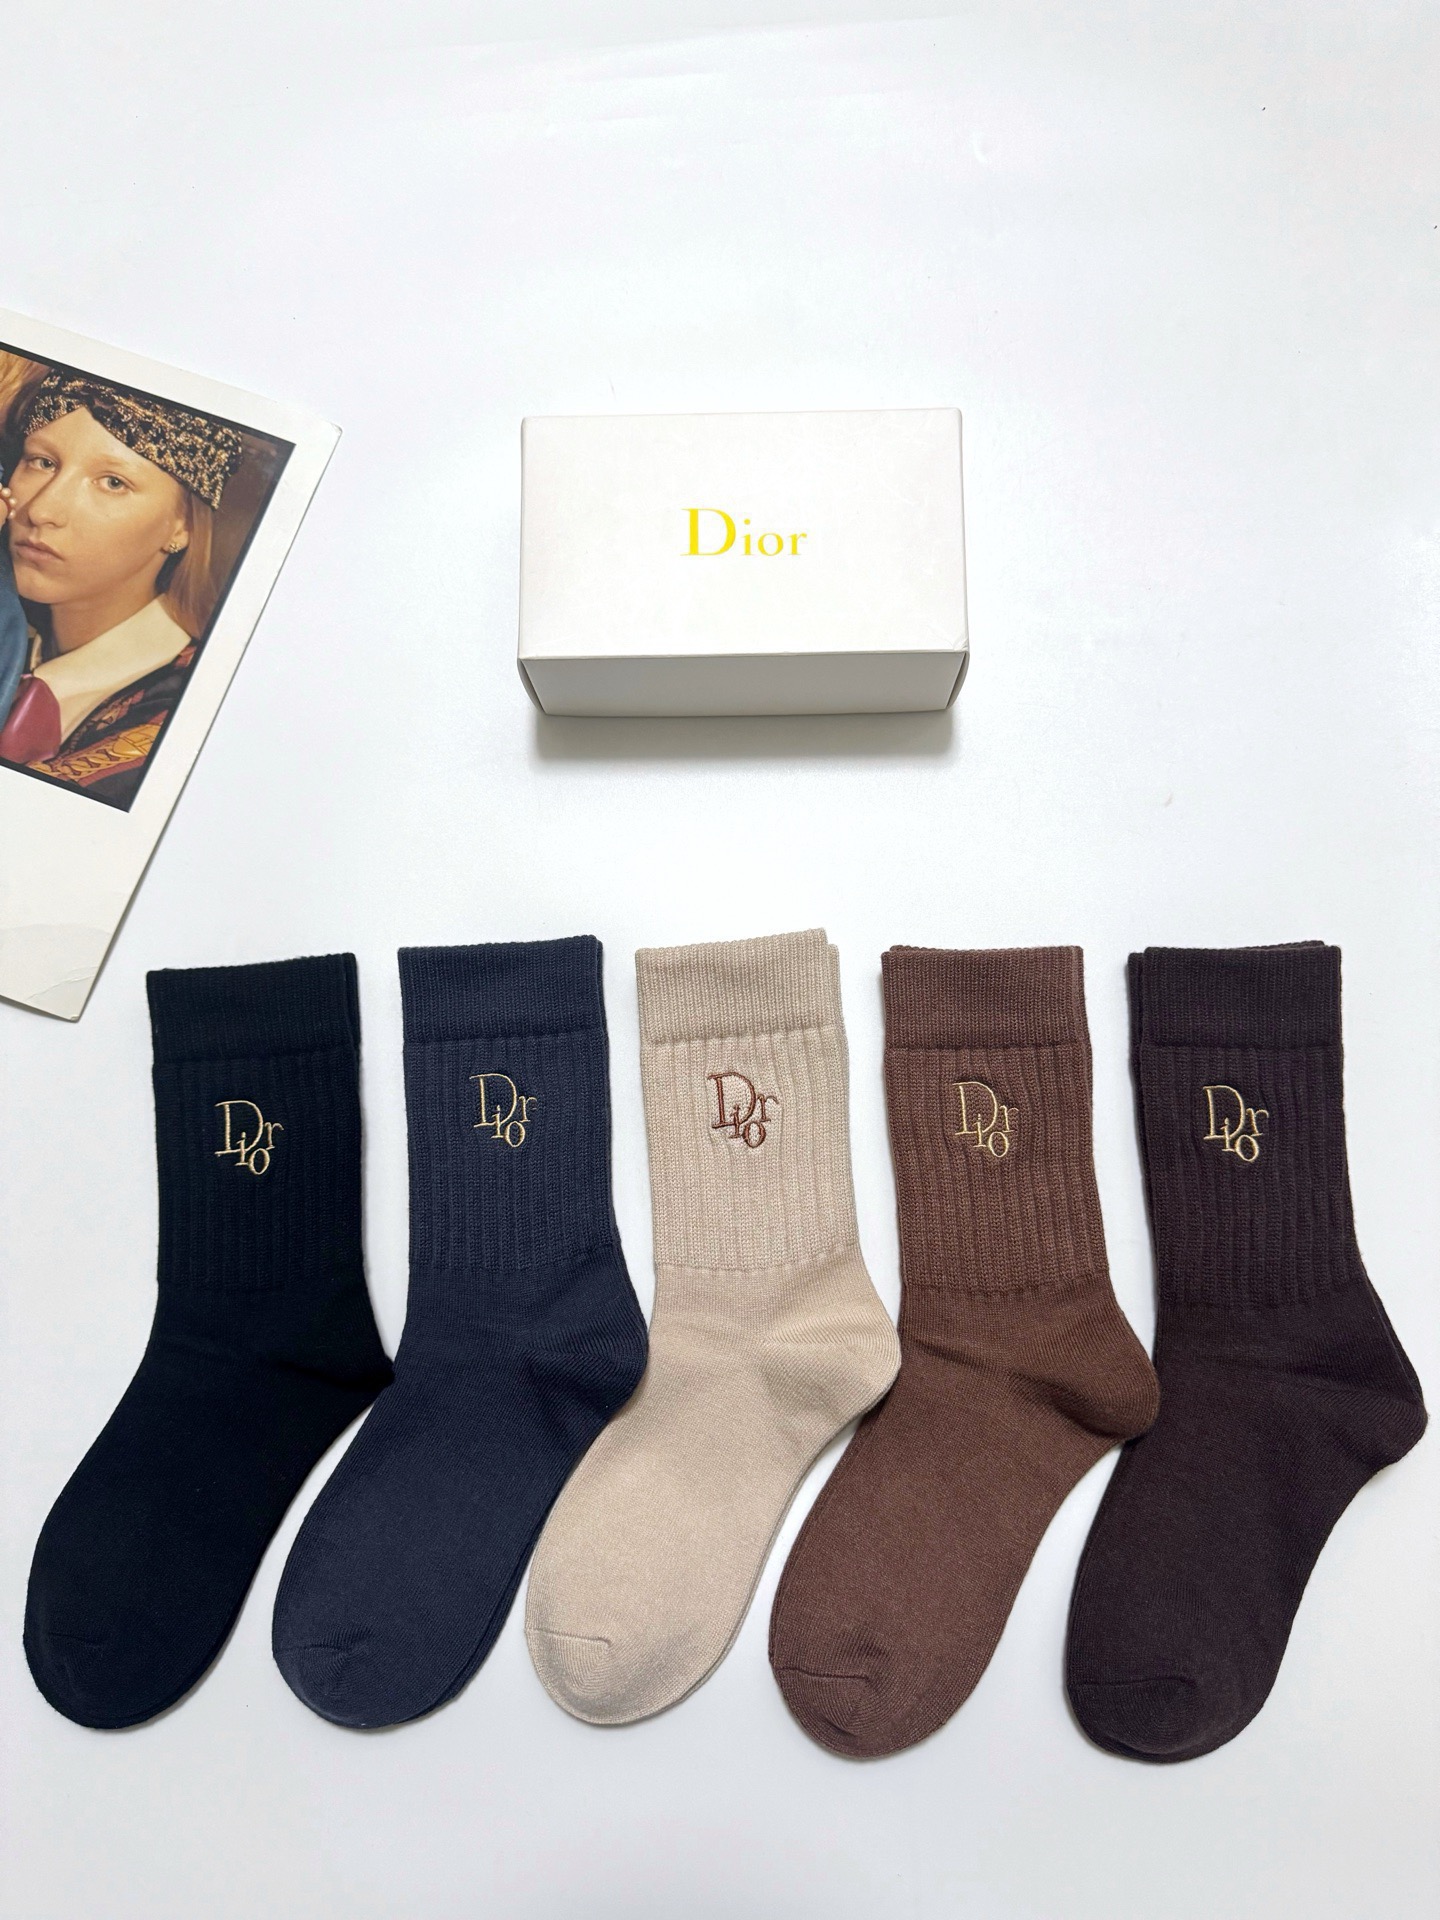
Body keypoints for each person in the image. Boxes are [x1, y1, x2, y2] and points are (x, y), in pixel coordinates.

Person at [0, 369, 243, 809]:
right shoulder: (13, 637)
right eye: (42, 462)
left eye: (113, 482)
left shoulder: (187, 715)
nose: (42, 510)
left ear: (182, 527)